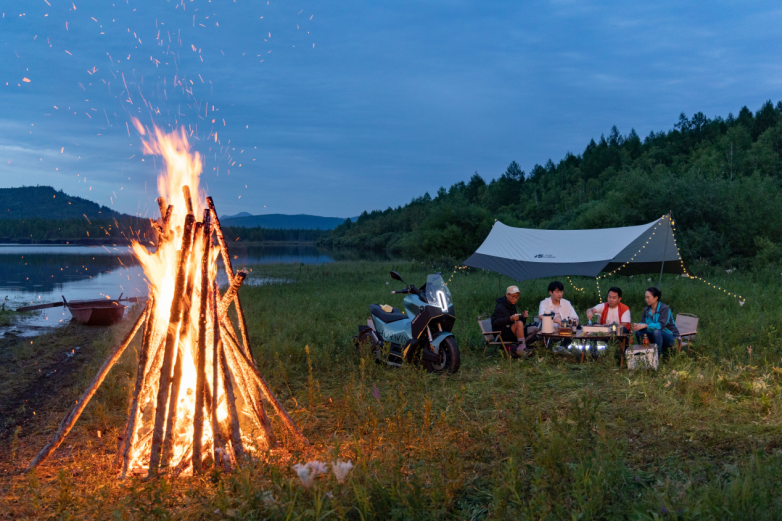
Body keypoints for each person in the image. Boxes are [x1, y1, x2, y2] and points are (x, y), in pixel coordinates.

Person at [491, 285, 539, 357]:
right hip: (501, 334)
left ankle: (520, 346)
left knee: (535, 329)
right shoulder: (500, 307)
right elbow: (494, 322)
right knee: (519, 323)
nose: (515, 299)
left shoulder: (512, 306)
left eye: (517, 297)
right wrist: (510, 319)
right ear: (507, 295)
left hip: (512, 332)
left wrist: (523, 317)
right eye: (513, 296)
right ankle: (521, 348)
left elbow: (520, 325)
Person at [632, 287, 680, 355]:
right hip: (655, 336)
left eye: (648, 297)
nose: (646, 299)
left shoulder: (664, 308)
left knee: (657, 331)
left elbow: (661, 325)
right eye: (645, 297)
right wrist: (637, 325)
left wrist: (645, 325)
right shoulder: (647, 309)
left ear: (656, 297)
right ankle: (644, 353)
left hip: (672, 338)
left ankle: (657, 356)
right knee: (639, 332)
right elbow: (643, 323)